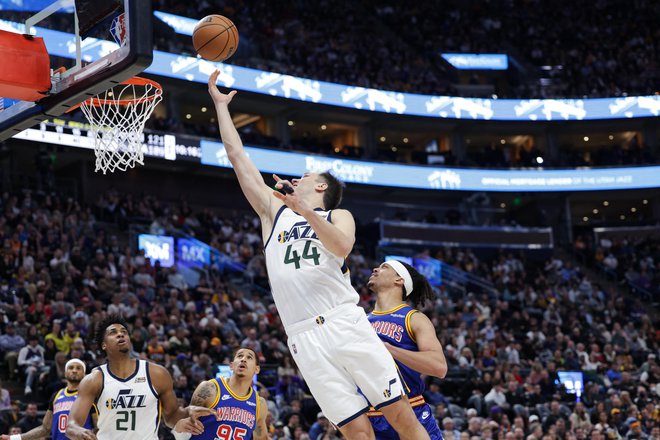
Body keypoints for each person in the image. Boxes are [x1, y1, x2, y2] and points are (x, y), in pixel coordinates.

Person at [209, 70, 430, 440]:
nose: (297, 179)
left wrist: (304, 210)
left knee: (401, 417)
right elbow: (237, 157)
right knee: (357, 433)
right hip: (302, 337)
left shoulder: (336, 214)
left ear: (321, 186)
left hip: (344, 322)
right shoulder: (272, 212)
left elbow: (342, 246)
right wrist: (220, 107)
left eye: (306, 175)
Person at [66, 315, 216, 440]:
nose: (120, 334)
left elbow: (171, 418)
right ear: (104, 345)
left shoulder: (157, 374)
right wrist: (80, 432)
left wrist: (188, 411)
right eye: (113, 332)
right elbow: (71, 425)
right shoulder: (94, 380)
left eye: (124, 331)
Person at [366, 259, 448, 439]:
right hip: (371, 416)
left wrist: (390, 349)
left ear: (399, 280)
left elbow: (439, 367)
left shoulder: (413, 318)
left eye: (384, 267)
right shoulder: (361, 321)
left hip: (411, 409)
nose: (375, 269)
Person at [171, 348, 268, 440]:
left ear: (257, 369)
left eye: (249, 357)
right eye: (239, 356)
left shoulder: (259, 404)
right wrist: (180, 425)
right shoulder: (210, 388)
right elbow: (183, 424)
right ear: (231, 365)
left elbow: (262, 438)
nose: (243, 359)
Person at [1, 359, 96, 440]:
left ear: (84, 374)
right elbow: (45, 429)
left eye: (78, 368)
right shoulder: (56, 395)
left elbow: (98, 427)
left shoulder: (89, 395)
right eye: (71, 368)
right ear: (65, 373)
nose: (74, 370)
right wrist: (14, 438)